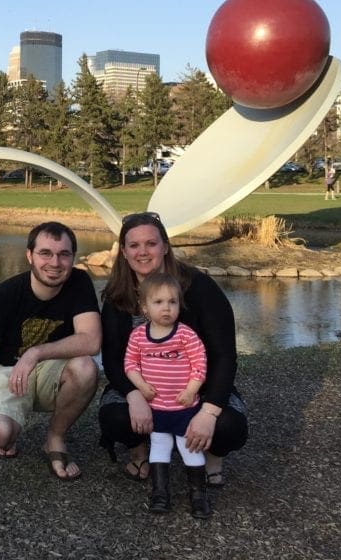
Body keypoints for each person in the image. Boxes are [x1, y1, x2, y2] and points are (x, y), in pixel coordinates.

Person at [99, 212, 248, 493]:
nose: (142, 252)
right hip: (143, 387)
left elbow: (224, 355)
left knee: (229, 426)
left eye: (151, 243)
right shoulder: (118, 294)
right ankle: (140, 451)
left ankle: (211, 457)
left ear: (165, 246)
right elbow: (112, 358)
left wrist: (208, 411)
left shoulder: (199, 287)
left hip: (194, 387)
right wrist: (133, 395)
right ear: (124, 251)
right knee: (115, 417)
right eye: (134, 245)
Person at [0, 221, 102, 481]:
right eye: (45, 253)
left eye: (64, 254)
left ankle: (55, 439)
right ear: (29, 256)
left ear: (73, 258)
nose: (55, 263)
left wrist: (35, 353)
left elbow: (91, 340)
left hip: (49, 368)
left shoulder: (79, 282)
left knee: (85, 367)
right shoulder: (5, 296)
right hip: (6, 372)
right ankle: (5, 421)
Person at [124, 271, 210, 518]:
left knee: (189, 448)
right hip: (157, 408)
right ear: (145, 307)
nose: (166, 308)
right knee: (159, 447)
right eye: (158, 302)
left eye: (172, 302)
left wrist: (192, 389)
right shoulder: (139, 336)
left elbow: (200, 365)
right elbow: (130, 364)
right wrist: (140, 385)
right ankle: (160, 493)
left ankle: (198, 495)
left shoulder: (185, 335)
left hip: (184, 408)